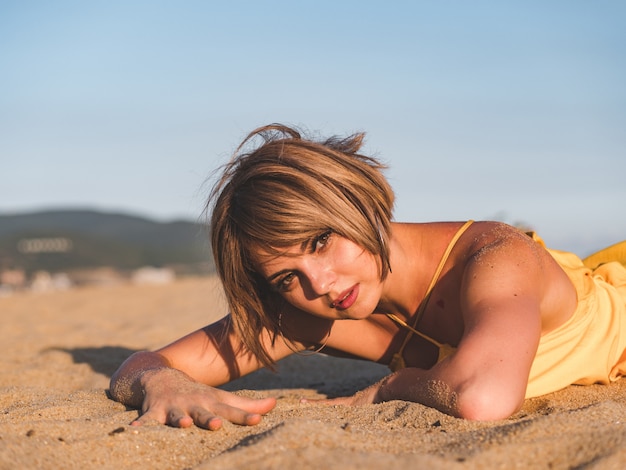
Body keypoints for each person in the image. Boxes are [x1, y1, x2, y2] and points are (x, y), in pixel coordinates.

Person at [109, 124, 626, 428]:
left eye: (321, 241)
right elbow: (143, 365)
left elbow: (481, 397)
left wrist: (393, 387)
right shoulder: (311, 313)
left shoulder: (495, 257)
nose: (321, 284)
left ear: (358, 200)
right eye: (287, 277)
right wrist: (164, 382)